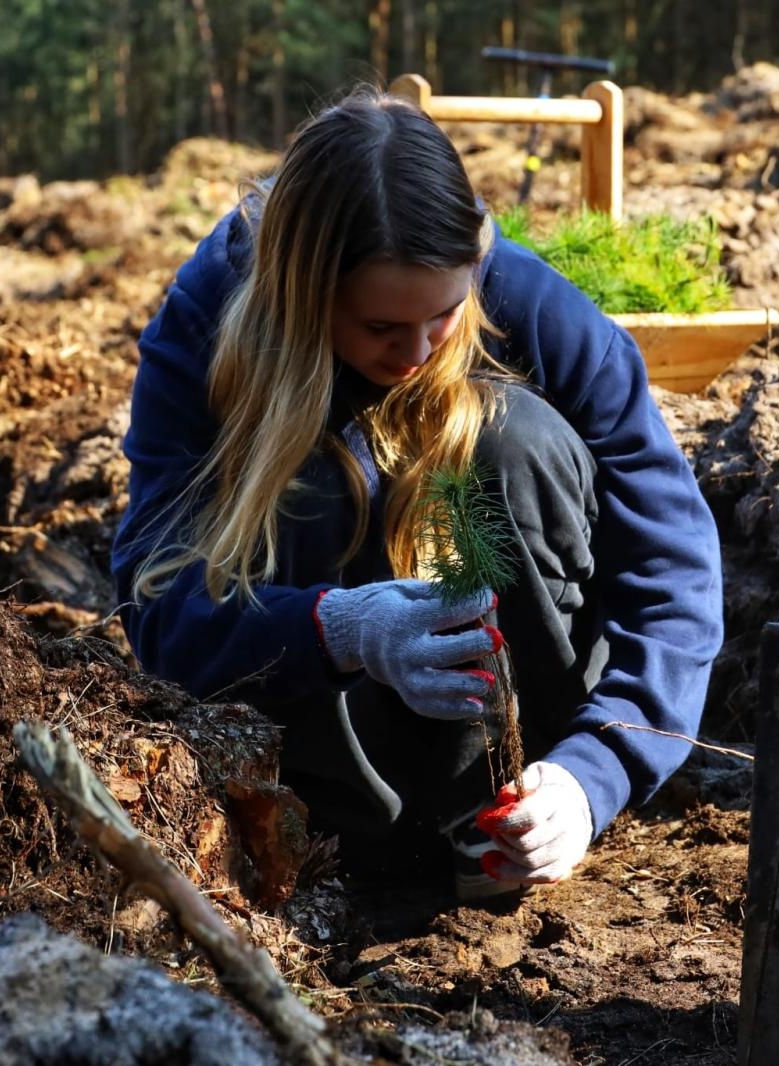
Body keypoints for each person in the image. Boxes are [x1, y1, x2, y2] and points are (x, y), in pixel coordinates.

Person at [111, 88, 723, 901]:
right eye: (378, 329)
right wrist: (340, 627)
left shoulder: (532, 308)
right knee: (304, 485)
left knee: (514, 440)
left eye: (443, 314)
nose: (419, 348)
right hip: (320, 780)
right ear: (305, 291)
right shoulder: (210, 323)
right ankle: (351, 833)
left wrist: (595, 774)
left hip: (535, 764)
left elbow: (674, 569)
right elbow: (157, 605)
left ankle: (505, 815)